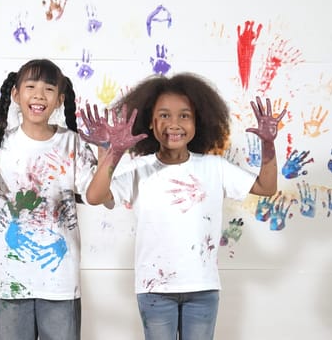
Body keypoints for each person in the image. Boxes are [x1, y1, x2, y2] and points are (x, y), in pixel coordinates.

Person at [80, 72, 286, 340]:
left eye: (184, 115)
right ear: (150, 124)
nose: (174, 124)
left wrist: (268, 145)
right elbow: (95, 196)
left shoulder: (215, 167)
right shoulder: (139, 169)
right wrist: (114, 152)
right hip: (154, 289)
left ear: (197, 122)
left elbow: (266, 188)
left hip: (203, 288)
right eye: (164, 115)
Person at [0, 59, 97, 340]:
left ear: (60, 100)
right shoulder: (0, 141)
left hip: (60, 281)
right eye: (31, 86)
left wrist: (112, 153)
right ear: (16, 94)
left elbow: (95, 195)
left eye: (48, 89)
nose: (39, 95)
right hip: (11, 279)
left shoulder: (71, 142)